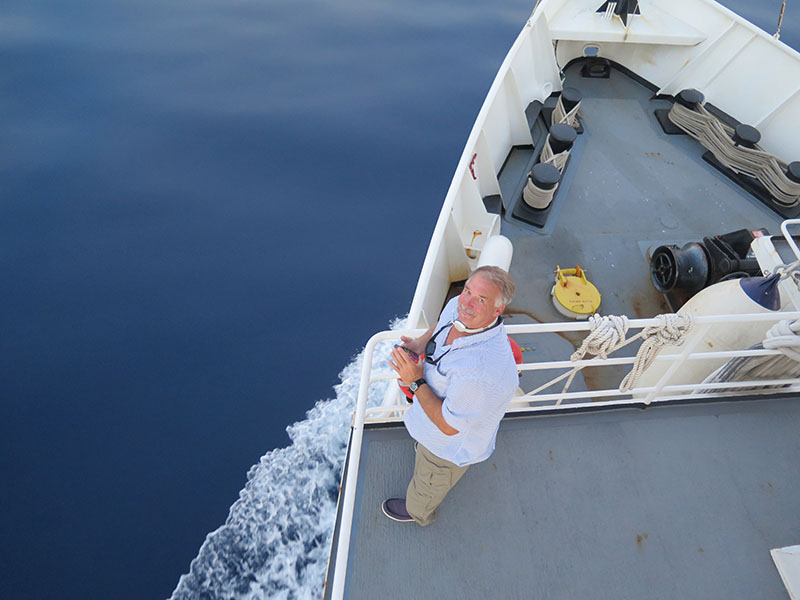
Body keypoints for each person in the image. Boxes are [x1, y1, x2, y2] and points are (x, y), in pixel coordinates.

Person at [382, 265, 518, 526]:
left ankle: (419, 512)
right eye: (468, 290)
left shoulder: (479, 372)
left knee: (427, 484)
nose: (466, 303)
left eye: (481, 299)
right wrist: (420, 343)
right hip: (434, 422)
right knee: (425, 454)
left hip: (446, 448)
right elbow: (443, 323)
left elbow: (447, 426)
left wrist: (414, 380)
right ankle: (422, 454)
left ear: (497, 310)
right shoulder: (459, 306)